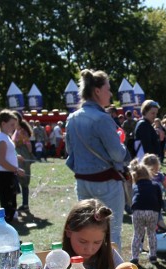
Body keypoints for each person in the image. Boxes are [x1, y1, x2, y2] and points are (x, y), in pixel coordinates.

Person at [65, 69, 128, 249]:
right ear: (97, 91)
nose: (110, 94)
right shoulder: (102, 118)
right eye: (108, 89)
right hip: (106, 181)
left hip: (83, 181)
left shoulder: (72, 118)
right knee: (111, 230)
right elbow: (117, 154)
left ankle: (89, 267)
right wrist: (123, 146)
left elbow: (70, 151)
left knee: (85, 229)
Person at [62, 199, 124, 269]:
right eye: (83, 241)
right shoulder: (57, 261)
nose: (89, 249)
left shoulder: (111, 256)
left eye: (97, 242)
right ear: (68, 231)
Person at [128, 159, 162, 265]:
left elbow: (131, 200)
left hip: (138, 210)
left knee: (138, 234)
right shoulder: (156, 185)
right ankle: (153, 256)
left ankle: (135, 257)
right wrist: (159, 210)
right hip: (153, 211)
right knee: (151, 233)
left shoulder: (135, 187)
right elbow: (160, 200)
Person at [0, 109, 24, 223]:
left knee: (11, 202)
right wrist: (16, 169)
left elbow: (6, 155)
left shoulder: (5, 137)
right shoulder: (1, 138)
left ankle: (10, 221)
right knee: (7, 203)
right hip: (4, 175)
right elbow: (1, 160)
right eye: (11, 125)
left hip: (8, 174)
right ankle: (7, 224)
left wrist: (16, 157)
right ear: (3, 124)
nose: (13, 127)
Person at [142, 153, 166, 231]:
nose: (155, 172)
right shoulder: (143, 176)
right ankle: (159, 225)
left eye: (157, 169)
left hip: (157, 200)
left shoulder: (159, 175)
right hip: (146, 200)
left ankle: (159, 225)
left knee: (158, 212)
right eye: (153, 170)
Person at [12, 113, 36, 213]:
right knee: (20, 178)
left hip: (22, 155)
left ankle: (25, 204)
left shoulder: (21, 130)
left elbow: (28, 144)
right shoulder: (16, 130)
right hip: (19, 154)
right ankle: (23, 203)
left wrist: (28, 156)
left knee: (23, 179)